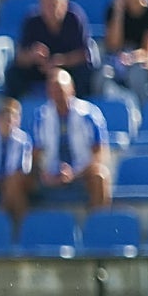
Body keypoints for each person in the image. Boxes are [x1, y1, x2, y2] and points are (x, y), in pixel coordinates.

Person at [26, 68, 112, 210]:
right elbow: (34, 156)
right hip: (50, 174)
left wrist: (75, 173)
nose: (57, 95)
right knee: (17, 181)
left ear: (71, 89)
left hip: (82, 172)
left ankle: (97, 225)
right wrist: (45, 175)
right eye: (52, 90)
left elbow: (100, 154)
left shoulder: (89, 114)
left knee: (100, 176)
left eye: (60, 90)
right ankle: (24, 228)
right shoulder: (40, 117)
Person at [4, 0, 98, 100]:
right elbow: (20, 56)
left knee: (83, 73)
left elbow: (84, 54)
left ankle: (79, 106)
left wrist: (60, 61)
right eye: (45, 4)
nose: (50, 9)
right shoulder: (32, 21)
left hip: (67, 68)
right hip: (39, 69)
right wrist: (32, 55)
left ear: (64, 4)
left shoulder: (74, 19)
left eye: (54, 4)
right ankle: (14, 110)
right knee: (13, 73)